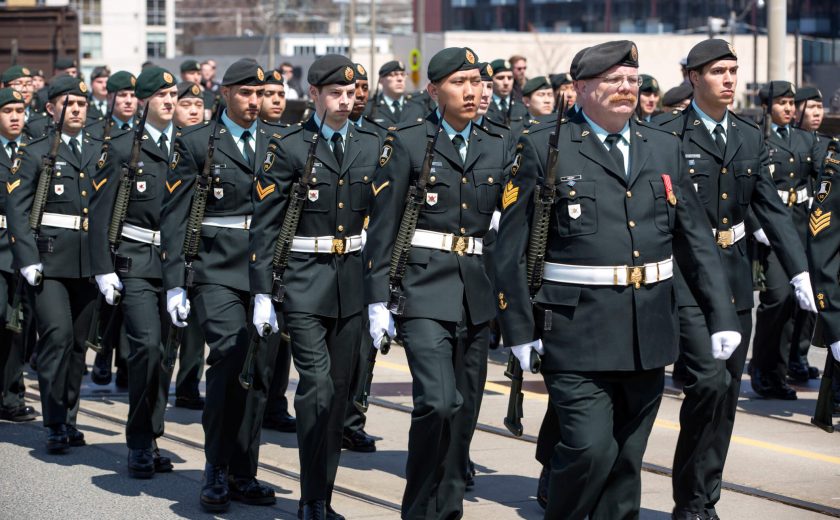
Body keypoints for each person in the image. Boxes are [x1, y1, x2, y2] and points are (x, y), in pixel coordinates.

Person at [496, 40, 741, 520]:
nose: (626, 89)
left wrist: (722, 315)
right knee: (589, 450)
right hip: (575, 329)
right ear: (581, 88)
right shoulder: (545, 145)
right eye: (613, 80)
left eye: (632, 79)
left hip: (646, 327)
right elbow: (509, 249)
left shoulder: (664, 147)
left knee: (627, 461)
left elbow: (695, 239)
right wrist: (518, 328)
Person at [655, 39, 816, 520]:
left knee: (725, 396)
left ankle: (704, 500)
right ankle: (688, 500)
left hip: (734, 275)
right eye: (717, 71)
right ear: (693, 77)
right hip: (684, 279)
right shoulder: (667, 134)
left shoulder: (748, 135)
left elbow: (771, 207)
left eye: (733, 70)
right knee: (705, 383)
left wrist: (800, 268)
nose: (728, 79)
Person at [365, 46, 509, 519]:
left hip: (475, 290)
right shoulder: (407, 141)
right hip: (422, 286)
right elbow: (383, 226)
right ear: (433, 90)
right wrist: (377, 299)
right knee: (439, 402)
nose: (471, 91)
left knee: (464, 412)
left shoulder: (498, 143)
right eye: (459, 82)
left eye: (476, 81)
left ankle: (447, 510)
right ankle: (419, 508)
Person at [251, 53, 381, 520]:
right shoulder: (288, 147)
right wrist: (263, 292)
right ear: (313, 96)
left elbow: (383, 225)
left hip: (352, 284)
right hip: (304, 283)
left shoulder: (372, 145)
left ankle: (321, 497)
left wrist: (381, 295)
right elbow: (265, 228)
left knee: (340, 397)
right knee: (318, 389)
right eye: (335, 94)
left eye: (351, 94)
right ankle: (309, 498)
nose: (346, 101)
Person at [162, 58, 277, 512]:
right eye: (246, 93)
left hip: (265, 270)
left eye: (261, 94)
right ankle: (215, 468)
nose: (255, 102)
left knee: (259, 372)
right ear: (225, 92)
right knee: (229, 357)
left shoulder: (279, 141)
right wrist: (175, 283)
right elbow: (174, 219)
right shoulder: (196, 142)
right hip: (215, 268)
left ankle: (244, 471)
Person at [89, 66, 179, 478]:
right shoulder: (125, 148)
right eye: (161, 95)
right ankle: (140, 441)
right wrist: (104, 269)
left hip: (176, 266)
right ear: (144, 101)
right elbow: (100, 212)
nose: (169, 100)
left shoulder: (190, 147)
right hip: (137, 260)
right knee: (147, 348)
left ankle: (153, 432)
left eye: (173, 93)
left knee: (166, 357)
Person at [7, 75, 101, 453]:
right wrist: (27, 257)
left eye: (81, 104)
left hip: (89, 263)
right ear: (50, 109)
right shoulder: (35, 151)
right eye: (67, 103)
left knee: (78, 345)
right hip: (49, 261)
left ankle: (70, 419)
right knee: (57, 337)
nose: (76, 110)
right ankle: (55, 421)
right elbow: (17, 209)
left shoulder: (100, 151)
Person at [749, 81, 822, 397]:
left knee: (800, 303)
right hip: (772, 232)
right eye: (781, 103)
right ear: (766, 107)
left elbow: (824, 171)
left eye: (792, 103)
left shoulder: (806, 140)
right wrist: (756, 225)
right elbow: (745, 188)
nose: (789, 108)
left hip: (802, 226)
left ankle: (779, 372)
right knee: (777, 299)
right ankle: (763, 370)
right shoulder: (756, 140)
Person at [256, 67, 296, 435]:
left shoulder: (292, 137)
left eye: (281, 95)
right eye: (269, 95)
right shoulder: (257, 139)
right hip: (258, 246)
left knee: (282, 336)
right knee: (260, 335)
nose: (275, 101)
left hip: (289, 246)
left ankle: (276, 402)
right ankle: (257, 400)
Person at [169, 81, 207, 411]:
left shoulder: (211, 143)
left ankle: (188, 384)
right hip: (167, 246)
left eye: (198, 104)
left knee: (195, 324)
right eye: (187, 104)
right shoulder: (165, 145)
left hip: (201, 243)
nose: (194, 110)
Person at [0, 88, 36, 423]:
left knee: (18, 325)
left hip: (21, 248)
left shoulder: (33, 150)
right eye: (7, 110)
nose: (15, 116)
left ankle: (11, 396)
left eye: (19, 110)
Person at [365, 60, 426, 127]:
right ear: (381, 80)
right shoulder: (369, 108)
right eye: (394, 74)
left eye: (402, 74)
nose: (400, 79)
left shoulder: (418, 108)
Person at [485, 59, 528, 131]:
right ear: (491, 80)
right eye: (500, 78)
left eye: (510, 78)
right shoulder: (484, 106)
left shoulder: (521, 106)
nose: (506, 83)